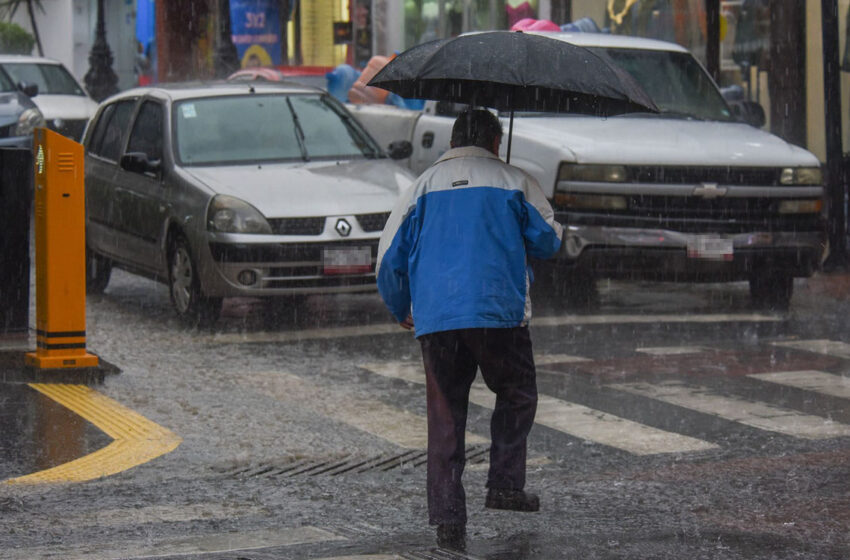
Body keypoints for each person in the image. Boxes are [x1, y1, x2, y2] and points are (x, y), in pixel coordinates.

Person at [375, 109, 563, 549]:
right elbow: (549, 240)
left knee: (445, 416)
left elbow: (388, 257)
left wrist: (400, 305)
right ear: (496, 142)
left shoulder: (420, 187)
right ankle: (504, 483)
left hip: (438, 319)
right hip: (497, 312)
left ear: (452, 142)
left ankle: (448, 518)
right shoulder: (514, 181)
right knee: (517, 393)